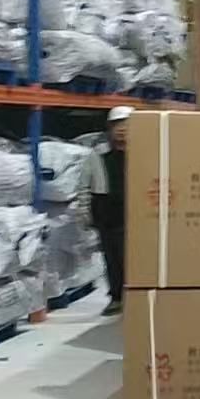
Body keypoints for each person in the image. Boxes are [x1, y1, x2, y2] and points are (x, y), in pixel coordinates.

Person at [85, 106, 132, 317]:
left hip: (134, 211)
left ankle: (135, 295)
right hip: (107, 211)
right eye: (116, 126)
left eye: (126, 125)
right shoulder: (99, 154)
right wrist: (85, 213)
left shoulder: (145, 153)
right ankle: (116, 297)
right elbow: (85, 184)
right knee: (111, 257)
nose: (121, 130)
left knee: (130, 258)